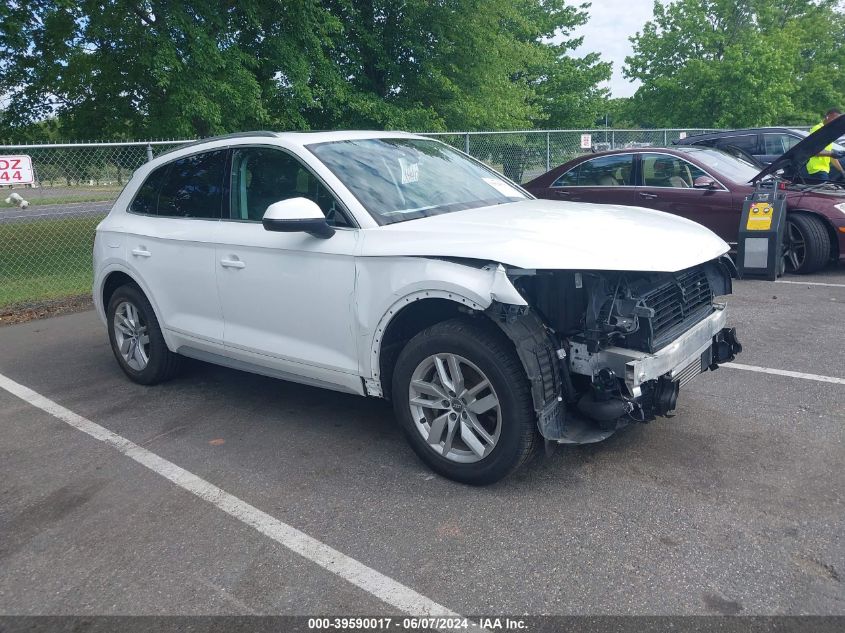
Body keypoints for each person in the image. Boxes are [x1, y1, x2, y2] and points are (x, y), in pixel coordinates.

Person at [804, 108, 845, 182]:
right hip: (816, 169)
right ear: (827, 117)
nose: (836, 122)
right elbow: (813, 150)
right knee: (825, 192)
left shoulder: (828, 132)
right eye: (835, 119)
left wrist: (842, 171)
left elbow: (831, 156)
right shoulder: (817, 129)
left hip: (823, 170)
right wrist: (832, 153)